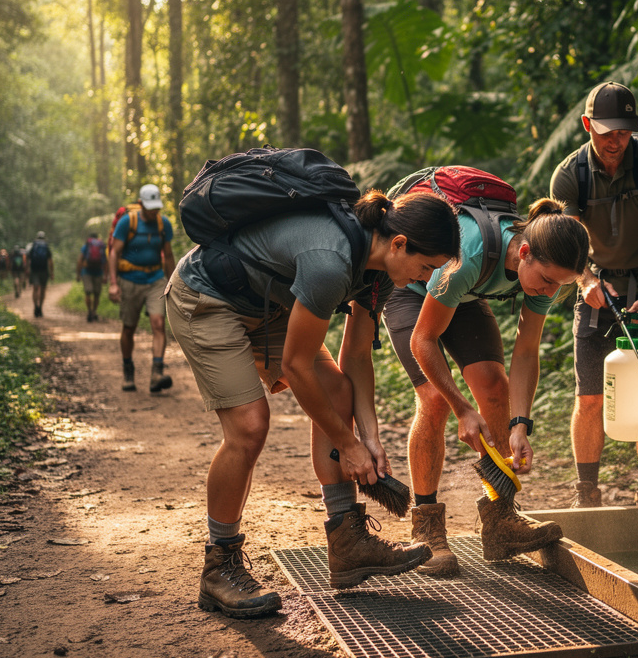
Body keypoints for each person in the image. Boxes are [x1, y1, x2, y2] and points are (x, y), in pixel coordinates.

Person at [166, 189, 461, 617]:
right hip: (208, 299)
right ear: (399, 244)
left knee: (338, 390)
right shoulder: (331, 262)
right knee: (249, 426)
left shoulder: (378, 271)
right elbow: (296, 365)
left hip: (267, 304)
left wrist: (370, 438)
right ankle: (219, 566)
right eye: (426, 267)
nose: (423, 279)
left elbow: (357, 356)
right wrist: (348, 443)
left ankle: (348, 545)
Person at [383, 188, 588, 576]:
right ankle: (427, 525)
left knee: (494, 387)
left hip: (463, 295)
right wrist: (463, 410)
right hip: (412, 288)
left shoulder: (545, 275)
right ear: (524, 252)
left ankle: (500, 521)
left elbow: (526, 352)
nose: (548, 291)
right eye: (545, 281)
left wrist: (519, 425)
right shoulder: (471, 255)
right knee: (435, 399)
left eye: (557, 286)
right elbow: (422, 340)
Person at [549, 81, 638, 508]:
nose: (615, 141)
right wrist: (585, 282)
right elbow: (564, 244)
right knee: (589, 396)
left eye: (623, 131)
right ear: (587, 125)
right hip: (594, 285)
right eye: (606, 131)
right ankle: (586, 493)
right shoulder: (570, 175)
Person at [107, 184, 177, 393]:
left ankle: (157, 373)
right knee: (129, 327)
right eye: (150, 207)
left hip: (155, 278)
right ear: (140, 204)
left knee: (158, 324)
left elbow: (169, 254)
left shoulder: (163, 224)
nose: (154, 211)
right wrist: (113, 283)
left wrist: (172, 282)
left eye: (156, 207)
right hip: (130, 280)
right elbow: (114, 253)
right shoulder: (127, 222)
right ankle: (128, 370)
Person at [78, 232, 107, 322]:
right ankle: (94, 312)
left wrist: (78, 274)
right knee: (96, 294)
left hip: (86, 272)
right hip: (99, 272)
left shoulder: (86, 246)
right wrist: (106, 275)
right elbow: (106, 261)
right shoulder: (101, 246)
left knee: (88, 293)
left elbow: (80, 260)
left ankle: (89, 311)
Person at [26, 232, 54, 318]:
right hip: (44, 271)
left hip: (34, 270)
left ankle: (35, 307)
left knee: (35, 289)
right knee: (42, 289)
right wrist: (52, 272)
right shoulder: (46, 246)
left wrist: (27, 269)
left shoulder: (34, 246)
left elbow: (28, 259)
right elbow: (50, 261)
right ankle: (40, 308)